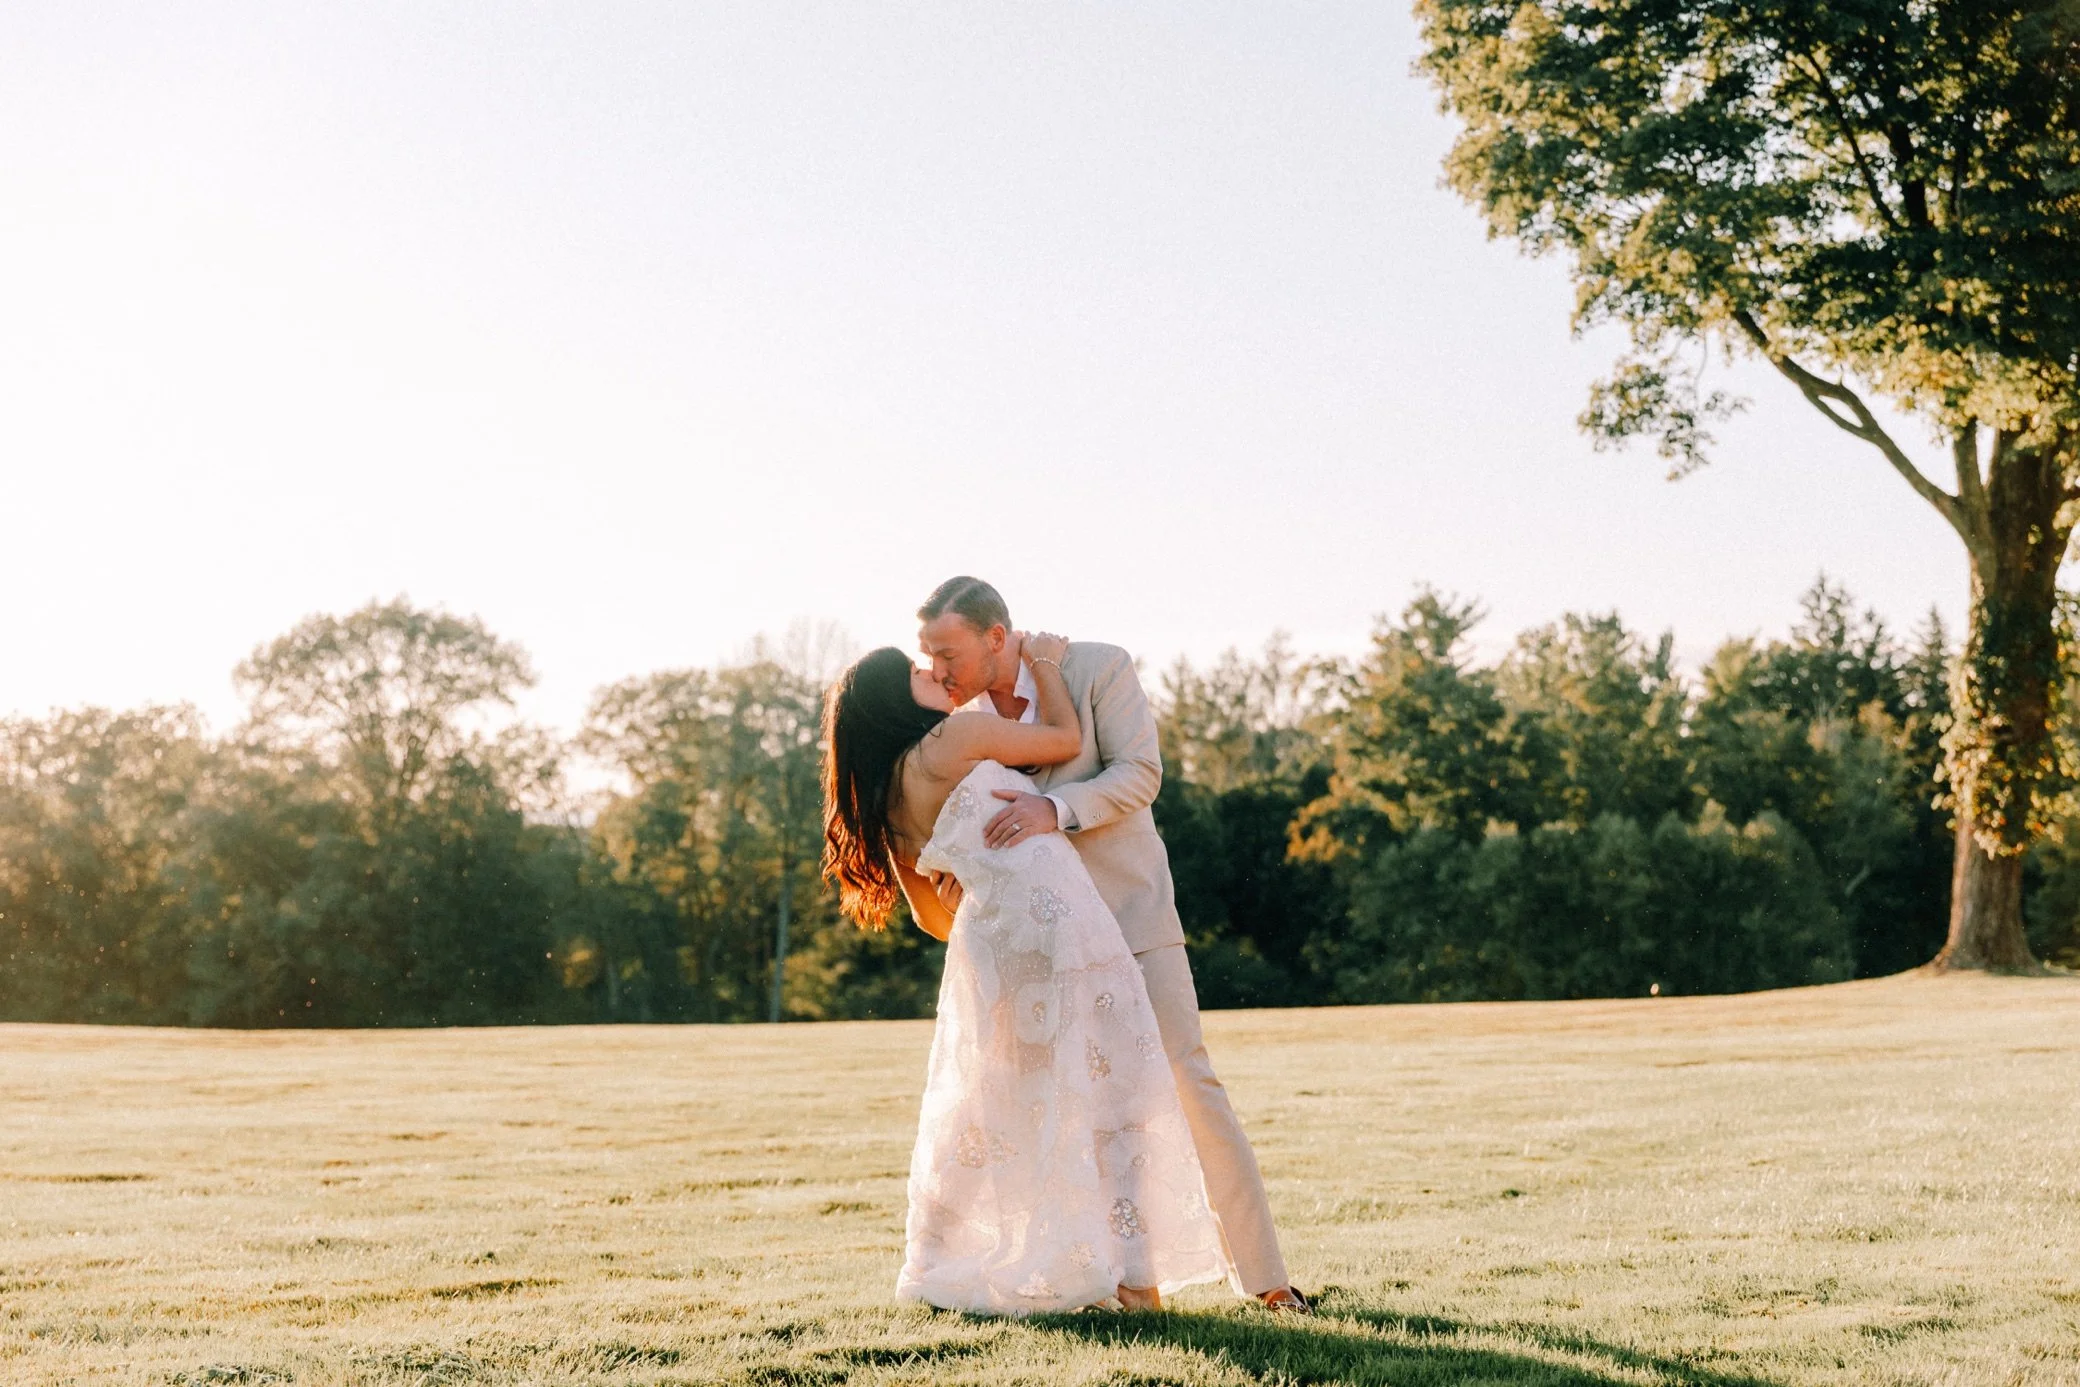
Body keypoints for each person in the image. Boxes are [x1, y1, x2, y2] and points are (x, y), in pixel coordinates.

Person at [913, 576, 1310, 1313]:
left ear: (997, 636)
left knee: (1191, 1084)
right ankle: (1123, 1283)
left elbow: (1140, 772)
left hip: (1130, 918)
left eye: (947, 650)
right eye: (927, 652)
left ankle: (1266, 1277)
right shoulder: (961, 721)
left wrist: (1053, 809)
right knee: (1081, 1108)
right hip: (1041, 948)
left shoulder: (1098, 667)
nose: (937, 667)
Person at [823, 637, 1229, 1313]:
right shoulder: (956, 736)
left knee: (1031, 1108)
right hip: (1064, 932)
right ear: (900, 696)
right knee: (1109, 1096)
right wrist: (1043, 662)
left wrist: (996, 907)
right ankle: (1133, 1281)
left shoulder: (890, 792)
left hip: (996, 952)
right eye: (921, 671)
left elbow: (933, 916)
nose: (936, 675)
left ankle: (1068, 1269)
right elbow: (1062, 739)